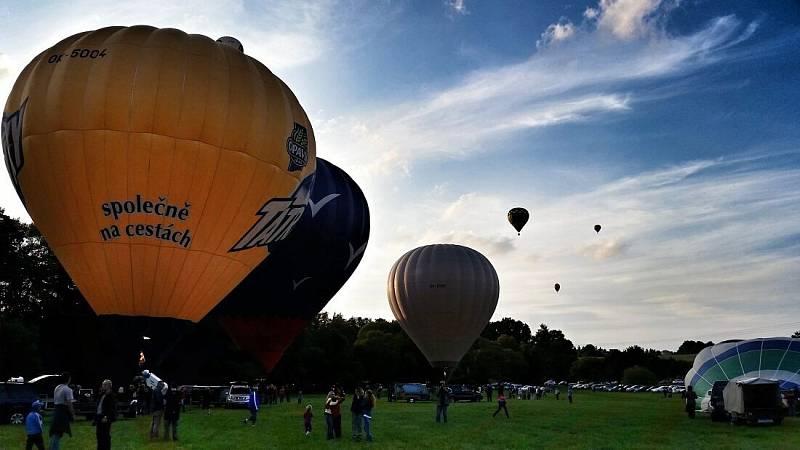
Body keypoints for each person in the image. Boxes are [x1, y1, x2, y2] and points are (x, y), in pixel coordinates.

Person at [49, 372, 74, 450]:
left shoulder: (57, 387)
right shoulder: (68, 389)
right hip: (62, 412)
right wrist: (73, 414)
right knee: (57, 433)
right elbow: (69, 403)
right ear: (69, 379)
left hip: (56, 410)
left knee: (55, 433)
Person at [94, 379, 117, 450]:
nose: (102, 386)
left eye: (104, 384)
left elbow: (112, 408)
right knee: (99, 436)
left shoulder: (112, 396)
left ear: (109, 386)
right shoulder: (101, 394)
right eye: (102, 384)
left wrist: (106, 417)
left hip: (105, 418)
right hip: (99, 417)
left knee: (105, 436)